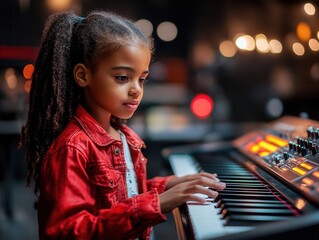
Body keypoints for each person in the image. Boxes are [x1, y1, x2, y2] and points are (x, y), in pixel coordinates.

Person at [19, 10, 226, 240]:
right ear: (82, 75)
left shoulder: (122, 134)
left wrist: (167, 186)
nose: (136, 89)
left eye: (142, 79)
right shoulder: (72, 148)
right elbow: (68, 232)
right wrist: (156, 203)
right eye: (122, 78)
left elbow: (122, 195)